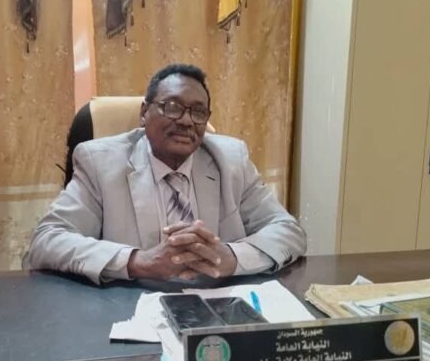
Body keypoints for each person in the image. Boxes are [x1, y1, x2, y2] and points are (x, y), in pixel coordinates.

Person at [26, 64, 306, 286]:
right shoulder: (100, 162)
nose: (186, 121)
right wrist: (138, 262)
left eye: (198, 112)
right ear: (144, 113)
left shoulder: (231, 160)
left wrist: (232, 257)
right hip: (129, 308)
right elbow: (47, 241)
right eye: (172, 107)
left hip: (216, 306)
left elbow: (288, 231)